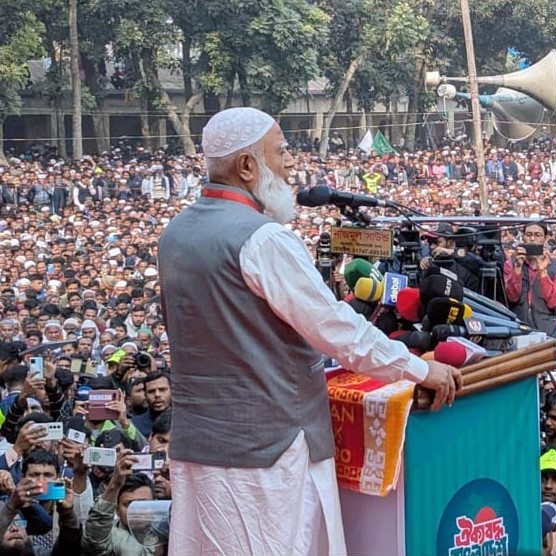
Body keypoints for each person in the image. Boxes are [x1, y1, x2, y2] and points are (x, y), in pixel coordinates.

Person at [158, 107, 462, 556]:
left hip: (198, 447)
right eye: (280, 152)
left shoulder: (174, 234)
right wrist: (418, 369)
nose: (289, 164)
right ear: (247, 166)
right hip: (268, 454)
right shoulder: (263, 239)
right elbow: (337, 331)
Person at [503, 223, 556, 337]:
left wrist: (543, 272)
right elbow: (512, 297)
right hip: (519, 327)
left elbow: (554, 302)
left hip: (546, 329)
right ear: (523, 237)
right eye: (528, 235)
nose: (532, 239)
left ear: (545, 238)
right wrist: (517, 268)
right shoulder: (511, 263)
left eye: (537, 235)